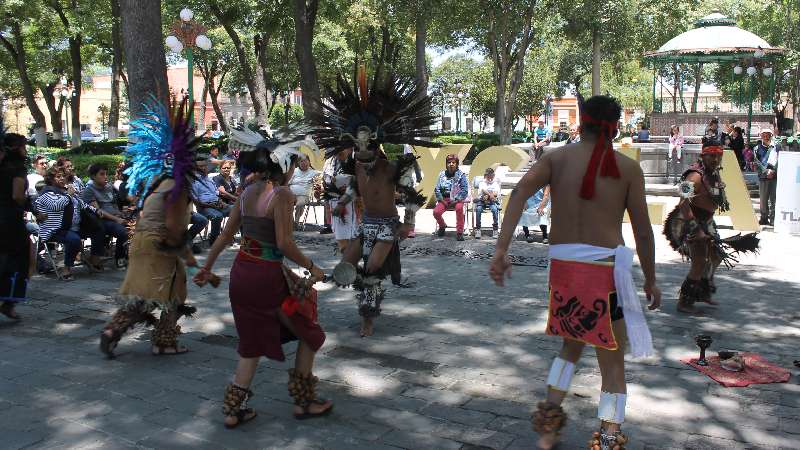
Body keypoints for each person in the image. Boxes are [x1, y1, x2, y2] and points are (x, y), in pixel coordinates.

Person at [490, 95, 660, 450]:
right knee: (612, 362)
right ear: (616, 128)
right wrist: (651, 278)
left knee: (571, 346)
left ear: (580, 123)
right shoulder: (627, 168)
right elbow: (643, 232)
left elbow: (519, 193)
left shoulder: (557, 159)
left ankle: (549, 426)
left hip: (565, 272)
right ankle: (610, 438)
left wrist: (501, 249)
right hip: (605, 273)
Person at [194, 128, 333, 427]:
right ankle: (304, 400)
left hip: (241, 273)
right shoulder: (281, 194)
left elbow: (225, 236)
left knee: (251, 343)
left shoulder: (245, 193)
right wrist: (313, 266)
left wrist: (207, 267)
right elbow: (283, 243)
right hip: (266, 276)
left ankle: (234, 409)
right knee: (310, 332)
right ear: (284, 166)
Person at [99, 98, 201, 358]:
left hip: (141, 242)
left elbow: (144, 213)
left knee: (142, 295)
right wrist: (192, 263)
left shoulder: (156, 183)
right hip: (158, 244)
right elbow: (174, 229)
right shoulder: (177, 189)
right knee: (174, 293)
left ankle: (113, 331)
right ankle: (164, 341)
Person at [664, 142, 759, 313]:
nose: (716, 159)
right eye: (712, 155)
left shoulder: (713, 173)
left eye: (718, 155)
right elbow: (683, 204)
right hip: (690, 222)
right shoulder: (694, 176)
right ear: (703, 155)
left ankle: (702, 291)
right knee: (699, 261)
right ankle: (685, 301)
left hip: (707, 222)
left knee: (716, 256)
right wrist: (696, 229)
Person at [35, 166, 107, 280]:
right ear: (51, 179)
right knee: (74, 240)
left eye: (63, 176)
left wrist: (96, 210)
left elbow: (82, 204)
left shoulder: (65, 191)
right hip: (56, 230)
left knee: (99, 229)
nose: (62, 178)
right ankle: (66, 269)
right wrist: (69, 195)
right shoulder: (46, 193)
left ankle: (94, 259)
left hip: (73, 227)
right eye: (58, 176)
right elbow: (56, 205)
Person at [0, 131, 30, 320]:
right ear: (18, 148)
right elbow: (17, 195)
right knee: (19, 259)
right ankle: (9, 302)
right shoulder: (18, 168)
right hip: (10, 219)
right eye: (24, 146)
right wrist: (28, 203)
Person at [81, 163, 130, 268]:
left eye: (106, 174)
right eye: (102, 174)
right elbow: (98, 211)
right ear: (93, 176)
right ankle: (120, 258)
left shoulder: (108, 187)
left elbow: (113, 203)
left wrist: (121, 214)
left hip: (115, 217)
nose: (105, 177)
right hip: (101, 221)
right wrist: (117, 219)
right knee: (123, 231)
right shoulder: (89, 190)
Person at [190, 156, 232, 246]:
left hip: (217, 204)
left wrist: (221, 202)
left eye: (204, 165)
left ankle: (230, 236)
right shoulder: (193, 181)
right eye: (200, 166)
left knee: (238, 210)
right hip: (204, 207)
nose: (203, 168)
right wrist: (212, 206)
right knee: (217, 216)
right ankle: (214, 240)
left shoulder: (209, 179)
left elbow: (216, 194)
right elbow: (196, 202)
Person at [323, 147, 358, 251]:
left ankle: (350, 263)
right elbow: (325, 181)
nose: (339, 150)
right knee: (341, 238)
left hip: (351, 204)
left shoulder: (355, 160)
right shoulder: (329, 161)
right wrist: (321, 190)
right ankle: (349, 264)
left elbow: (359, 183)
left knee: (347, 239)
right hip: (333, 202)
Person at [433, 154, 469, 240]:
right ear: (446, 164)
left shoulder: (461, 175)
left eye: (453, 162)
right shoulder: (441, 174)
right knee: (436, 212)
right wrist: (441, 200)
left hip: (457, 199)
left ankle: (460, 232)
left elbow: (464, 190)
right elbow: (437, 189)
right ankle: (442, 226)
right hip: (444, 199)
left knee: (460, 209)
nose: (451, 164)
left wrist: (456, 200)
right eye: (449, 162)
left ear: (457, 164)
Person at [754, 128, 780, 226]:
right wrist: (766, 171)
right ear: (761, 136)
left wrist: (773, 171)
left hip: (774, 176)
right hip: (763, 177)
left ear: (771, 136)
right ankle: (764, 218)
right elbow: (757, 162)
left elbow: (779, 159)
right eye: (763, 135)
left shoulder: (777, 147)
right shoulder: (757, 148)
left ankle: (773, 219)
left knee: (774, 199)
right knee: (763, 200)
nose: (765, 137)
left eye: (768, 135)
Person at [288, 154, 318, 223]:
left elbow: (321, 179)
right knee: (286, 203)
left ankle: (296, 222)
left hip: (303, 196)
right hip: (292, 194)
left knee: (299, 204)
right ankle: (290, 221)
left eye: (305, 161)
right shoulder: (294, 171)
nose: (304, 163)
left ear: (309, 162)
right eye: (301, 161)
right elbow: (288, 183)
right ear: (298, 163)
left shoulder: (313, 173)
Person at [474, 167, 502, 239]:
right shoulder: (482, 183)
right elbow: (483, 190)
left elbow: (496, 193)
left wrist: (490, 195)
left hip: (492, 201)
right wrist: (490, 195)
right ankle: (478, 229)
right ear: (485, 176)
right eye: (488, 176)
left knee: (495, 210)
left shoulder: (495, 183)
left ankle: (495, 229)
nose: (490, 178)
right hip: (482, 200)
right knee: (478, 209)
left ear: (493, 176)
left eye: (491, 176)